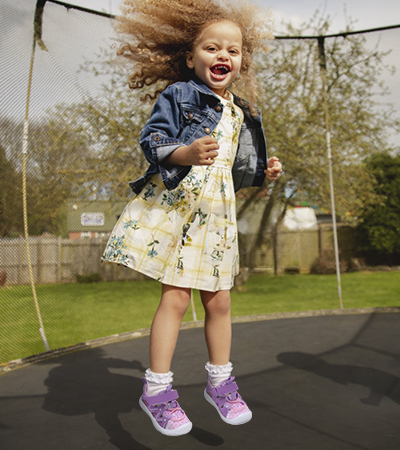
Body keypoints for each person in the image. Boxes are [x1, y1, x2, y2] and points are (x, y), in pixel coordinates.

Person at [101, 0, 282, 436]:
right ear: (190, 57)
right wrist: (185, 152)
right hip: (180, 208)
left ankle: (220, 382)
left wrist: (264, 171)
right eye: (211, 48)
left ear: (242, 61)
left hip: (217, 214)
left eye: (232, 51)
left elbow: (235, 170)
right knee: (177, 298)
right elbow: (154, 140)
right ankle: (157, 391)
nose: (223, 56)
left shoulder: (243, 111)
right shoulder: (181, 95)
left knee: (220, 300)